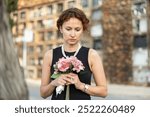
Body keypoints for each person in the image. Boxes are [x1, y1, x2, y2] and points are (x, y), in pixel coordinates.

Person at [40, 7, 107, 100]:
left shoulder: (92, 55)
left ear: (83, 30)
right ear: (60, 28)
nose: (73, 34)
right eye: (68, 29)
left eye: (77, 29)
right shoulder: (49, 55)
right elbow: (43, 93)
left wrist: (81, 85)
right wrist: (54, 83)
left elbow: (103, 91)